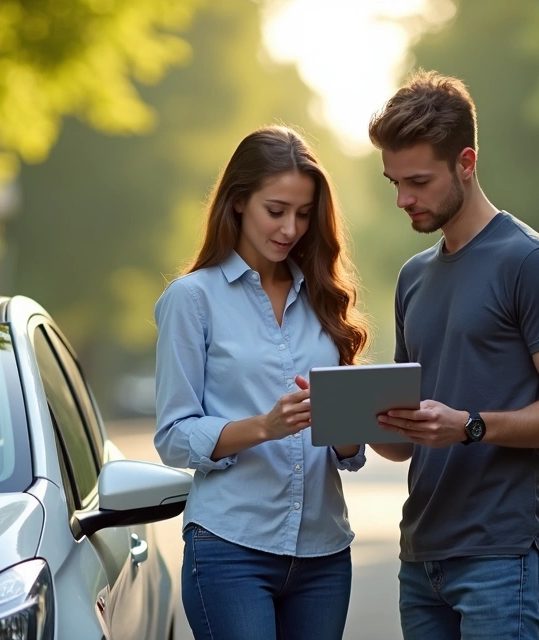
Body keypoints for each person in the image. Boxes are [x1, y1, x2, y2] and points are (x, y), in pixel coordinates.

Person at [366, 71, 539, 640]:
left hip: (502, 553)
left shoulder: (528, 262)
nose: (404, 199)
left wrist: (470, 426)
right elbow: (403, 444)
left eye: (418, 181)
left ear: (466, 162)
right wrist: (351, 413)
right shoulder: (412, 278)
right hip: (421, 556)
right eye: (394, 181)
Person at [153, 125, 370, 640]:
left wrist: (345, 426)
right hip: (231, 549)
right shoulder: (192, 300)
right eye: (276, 210)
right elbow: (173, 435)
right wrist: (263, 427)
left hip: (324, 553)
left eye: (303, 213)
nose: (291, 228)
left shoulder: (324, 298)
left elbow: (349, 449)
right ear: (237, 203)